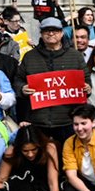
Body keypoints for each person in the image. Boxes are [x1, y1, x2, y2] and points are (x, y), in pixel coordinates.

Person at [15, 18, 86, 146]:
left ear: (62, 33)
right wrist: (22, 89)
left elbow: (86, 80)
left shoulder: (75, 56)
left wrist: (88, 88)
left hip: (67, 121)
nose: (51, 33)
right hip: (38, 121)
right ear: (41, 34)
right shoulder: (30, 57)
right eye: (47, 30)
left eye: (55, 30)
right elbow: (18, 80)